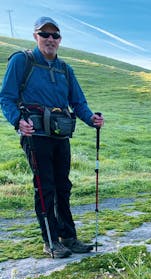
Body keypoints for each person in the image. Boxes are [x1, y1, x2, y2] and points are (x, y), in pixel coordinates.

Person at [0, 16, 105, 258]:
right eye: (44, 34)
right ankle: (50, 241)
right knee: (44, 187)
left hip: (60, 135)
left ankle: (68, 237)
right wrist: (18, 120)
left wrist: (91, 119)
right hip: (35, 134)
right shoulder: (22, 60)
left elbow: (78, 102)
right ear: (35, 36)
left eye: (54, 35)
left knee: (63, 187)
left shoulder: (65, 69)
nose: (50, 39)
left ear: (59, 40)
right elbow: (6, 97)